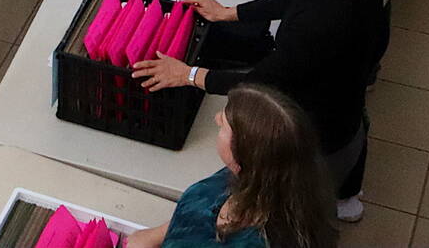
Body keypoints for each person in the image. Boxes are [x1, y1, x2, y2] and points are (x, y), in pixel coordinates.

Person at [134, 0, 387, 224]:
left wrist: (188, 75)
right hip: (347, 114)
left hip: (317, 136)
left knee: (298, 213)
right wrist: (229, 13)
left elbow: (264, 81)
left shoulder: (321, 19)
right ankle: (346, 201)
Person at [125, 85, 337, 248]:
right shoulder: (265, 176)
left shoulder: (255, 240)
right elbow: (192, 216)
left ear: (244, 153)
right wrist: (153, 236)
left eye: (225, 125)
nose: (216, 118)